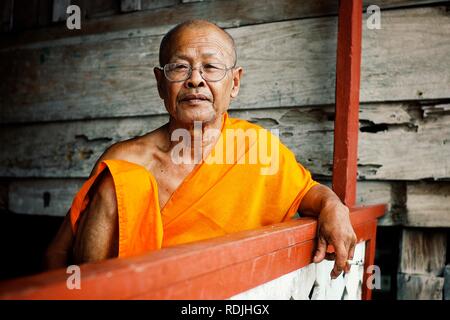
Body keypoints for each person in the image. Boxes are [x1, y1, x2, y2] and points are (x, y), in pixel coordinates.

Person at [44, 20, 356, 280]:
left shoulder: (256, 149)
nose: (195, 80)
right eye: (180, 67)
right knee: (121, 184)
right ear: (160, 82)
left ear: (234, 83)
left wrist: (334, 207)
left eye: (210, 67)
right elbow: (58, 256)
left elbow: (309, 194)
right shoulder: (123, 161)